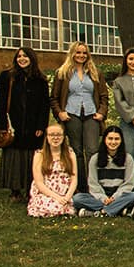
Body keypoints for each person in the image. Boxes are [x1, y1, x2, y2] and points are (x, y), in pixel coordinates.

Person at [50, 41, 108, 192]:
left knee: (92, 150)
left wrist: (101, 112)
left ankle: (93, 186)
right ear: (72, 54)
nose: (81, 55)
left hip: (91, 115)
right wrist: (59, 113)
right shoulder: (62, 73)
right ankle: (79, 185)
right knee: (76, 151)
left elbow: (103, 96)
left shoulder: (95, 73)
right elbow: (54, 98)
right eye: (78, 52)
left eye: (84, 53)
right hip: (71, 114)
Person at [0, 47, 49, 203]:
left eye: (25, 56)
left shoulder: (40, 79)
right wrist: (1, 125)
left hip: (33, 126)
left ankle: (31, 187)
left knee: (31, 157)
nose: (22, 59)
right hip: (13, 124)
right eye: (19, 56)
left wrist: (41, 126)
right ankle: (15, 190)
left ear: (32, 58)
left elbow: (44, 105)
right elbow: (0, 102)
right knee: (14, 156)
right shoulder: (7, 77)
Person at [73, 126, 134, 217]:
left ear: (121, 141)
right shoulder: (95, 158)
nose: (113, 142)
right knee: (77, 198)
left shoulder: (128, 159)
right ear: (104, 140)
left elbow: (128, 184)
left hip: (119, 196)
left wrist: (114, 197)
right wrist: (103, 198)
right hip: (100, 196)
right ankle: (118, 210)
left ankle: (101, 212)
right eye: (110, 138)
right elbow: (93, 183)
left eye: (116, 139)